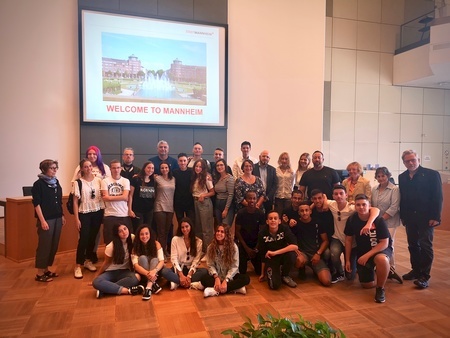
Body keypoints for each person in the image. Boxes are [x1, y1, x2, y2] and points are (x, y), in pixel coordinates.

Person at [398, 149, 443, 289]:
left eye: (413, 159)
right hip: (410, 218)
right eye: (407, 161)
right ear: (404, 162)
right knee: (412, 245)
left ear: (418, 159)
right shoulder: (402, 177)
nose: (411, 163)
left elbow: (438, 197)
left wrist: (436, 216)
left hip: (426, 218)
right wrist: (403, 217)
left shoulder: (431, 175)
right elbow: (403, 198)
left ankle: (424, 275)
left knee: (425, 245)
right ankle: (416, 270)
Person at [324, 185, 379, 283]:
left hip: (351, 241)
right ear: (332, 195)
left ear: (346, 195)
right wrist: (323, 203)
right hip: (337, 238)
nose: (339, 196)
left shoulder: (353, 207)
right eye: (336, 194)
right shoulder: (331, 204)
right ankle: (339, 273)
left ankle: (351, 268)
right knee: (334, 254)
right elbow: (323, 197)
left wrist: (369, 223)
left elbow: (375, 210)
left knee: (350, 276)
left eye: (341, 193)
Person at [344, 194, 393, 303]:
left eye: (364, 205)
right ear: (355, 206)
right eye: (358, 205)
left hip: (380, 250)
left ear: (369, 206)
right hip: (363, 251)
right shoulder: (352, 219)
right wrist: (347, 260)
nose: (361, 207)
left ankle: (380, 288)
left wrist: (368, 255)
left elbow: (384, 243)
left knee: (381, 260)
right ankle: (384, 272)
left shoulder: (379, 220)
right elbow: (348, 240)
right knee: (367, 285)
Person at [32, 159, 66, 282]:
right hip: (46, 219)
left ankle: (46, 270)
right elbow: (36, 204)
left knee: (53, 245)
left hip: (57, 217)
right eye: (52, 168)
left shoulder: (56, 182)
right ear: (44, 169)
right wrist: (42, 220)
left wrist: (61, 215)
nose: (55, 170)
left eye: (55, 167)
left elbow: (59, 201)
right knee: (44, 246)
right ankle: (39, 273)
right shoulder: (38, 184)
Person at [73, 159, 105, 279]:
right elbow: (75, 202)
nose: (88, 168)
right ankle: (77, 265)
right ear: (81, 169)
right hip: (84, 213)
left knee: (93, 237)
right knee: (83, 238)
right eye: (85, 167)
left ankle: (88, 260)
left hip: (97, 211)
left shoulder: (98, 180)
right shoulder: (78, 183)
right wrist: (77, 219)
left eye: (90, 166)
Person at [92, 224, 144, 298]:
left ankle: (105, 290)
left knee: (137, 277)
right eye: (120, 231)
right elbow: (106, 263)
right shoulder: (111, 246)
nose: (124, 232)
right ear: (117, 234)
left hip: (125, 271)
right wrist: (97, 276)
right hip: (111, 272)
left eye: (125, 229)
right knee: (96, 282)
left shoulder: (132, 238)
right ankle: (128, 291)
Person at [371, 167, 402, 284]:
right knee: (378, 243)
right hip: (377, 221)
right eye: (378, 176)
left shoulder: (394, 189)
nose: (381, 178)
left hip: (389, 222)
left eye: (383, 176)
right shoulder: (374, 189)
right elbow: (372, 205)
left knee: (389, 243)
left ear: (388, 176)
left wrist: (380, 220)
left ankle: (391, 268)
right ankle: (381, 266)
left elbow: (394, 207)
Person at [200, 225, 250, 297]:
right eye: (218, 231)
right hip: (217, 276)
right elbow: (210, 265)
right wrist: (216, 278)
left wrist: (226, 280)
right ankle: (235, 289)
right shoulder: (210, 247)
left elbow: (234, 266)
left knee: (246, 279)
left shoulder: (233, 247)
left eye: (222, 232)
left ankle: (214, 290)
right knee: (203, 279)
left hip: (230, 277)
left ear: (226, 234)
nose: (219, 233)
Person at [160, 217, 208, 290]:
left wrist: (189, 276)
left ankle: (178, 282)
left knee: (205, 271)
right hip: (179, 269)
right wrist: (181, 275)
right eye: (182, 227)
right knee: (164, 271)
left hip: (190, 270)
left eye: (187, 226)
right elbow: (174, 259)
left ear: (191, 227)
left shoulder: (198, 241)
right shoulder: (175, 239)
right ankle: (188, 283)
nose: (185, 229)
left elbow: (196, 261)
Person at [292, 202, 331, 286]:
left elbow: (325, 241)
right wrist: (297, 251)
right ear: (299, 213)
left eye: (306, 210)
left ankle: (316, 269)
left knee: (326, 281)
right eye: (302, 211)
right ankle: (301, 269)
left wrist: (318, 253)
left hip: (315, 254)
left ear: (310, 211)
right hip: (303, 253)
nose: (304, 213)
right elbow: (289, 240)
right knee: (299, 261)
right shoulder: (295, 224)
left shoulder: (318, 222)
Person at [258, 211, 298, 290]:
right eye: (270, 219)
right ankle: (276, 274)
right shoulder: (262, 233)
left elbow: (295, 246)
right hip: (271, 259)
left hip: (282, 255)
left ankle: (285, 275)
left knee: (292, 254)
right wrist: (262, 273)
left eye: (275, 218)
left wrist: (275, 252)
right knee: (274, 286)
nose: (273, 220)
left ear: (279, 221)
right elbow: (263, 254)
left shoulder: (284, 228)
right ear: (267, 221)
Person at [101, 159, 131, 245]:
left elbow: (126, 197)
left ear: (121, 168)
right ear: (110, 169)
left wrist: (109, 197)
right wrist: (121, 197)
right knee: (109, 240)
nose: (116, 170)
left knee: (126, 240)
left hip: (123, 214)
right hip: (109, 214)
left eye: (118, 167)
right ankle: (109, 258)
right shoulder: (105, 181)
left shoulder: (125, 181)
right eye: (114, 168)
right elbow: (105, 198)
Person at [235, 191, 265, 275]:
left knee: (259, 271)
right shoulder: (241, 213)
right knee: (242, 272)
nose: (252, 200)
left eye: (254, 198)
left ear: (256, 200)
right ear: (246, 200)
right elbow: (237, 231)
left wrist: (256, 248)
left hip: (256, 244)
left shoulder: (261, 214)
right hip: (244, 244)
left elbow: (262, 232)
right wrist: (246, 248)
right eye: (250, 198)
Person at [131, 224, 165, 300]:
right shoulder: (135, 248)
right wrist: (149, 274)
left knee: (155, 259)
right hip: (144, 275)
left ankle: (148, 287)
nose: (144, 236)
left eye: (146, 233)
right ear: (138, 236)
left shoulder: (156, 244)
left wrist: (154, 271)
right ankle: (153, 284)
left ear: (150, 234)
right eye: (142, 234)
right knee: (142, 258)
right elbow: (136, 266)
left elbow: (162, 261)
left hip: (155, 272)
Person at [191, 159, 215, 253]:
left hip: (204, 203)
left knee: (206, 230)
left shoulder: (206, 177)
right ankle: (201, 250)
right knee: (198, 228)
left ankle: (208, 252)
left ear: (203, 168)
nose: (198, 168)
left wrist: (203, 195)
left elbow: (212, 192)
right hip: (195, 202)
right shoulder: (194, 177)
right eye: (196, 166)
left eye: (200, 167)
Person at [154, 161, 176, 258]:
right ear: (160, 169)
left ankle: (165, 249)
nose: (164, 169)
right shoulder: (156, 178)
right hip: (159, 207)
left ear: (169, 168)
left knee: (167, 231)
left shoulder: (173, 179)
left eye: (166, 167)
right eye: (162, 168)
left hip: (170, 208)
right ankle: (161, 252)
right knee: (161, 231)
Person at [128, 161, 155, 233]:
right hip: (137, 210)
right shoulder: (136, 179)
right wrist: (129, 209)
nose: (150, 170)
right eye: (148, 167)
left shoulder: (153, 181)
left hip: (149, 211)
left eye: (152, 168)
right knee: (138, 230)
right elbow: (130, 195)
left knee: (147, 230)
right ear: (144, 168)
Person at [173, 153, 195, 225]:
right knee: (180, 223)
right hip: (178, 202)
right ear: (178, 162)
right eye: (181, 161)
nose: (182, 163)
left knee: (191, 223)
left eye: (184, 160)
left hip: (190, 202)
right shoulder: (174, 172)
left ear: (187, 161)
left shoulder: (192, 172)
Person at [252, 150, 277, 214]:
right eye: (263, 156)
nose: (265, 158)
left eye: (267, 157)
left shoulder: (273, 170)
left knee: (267, 218)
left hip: (268, 200)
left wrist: (268, 197)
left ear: (269, 159)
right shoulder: (253, 168)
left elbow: (275, 185)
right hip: (255, 199)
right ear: (259, 157)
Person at [213, 158, 235, 226]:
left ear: (225, 166)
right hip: (217, 204)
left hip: (227, 204)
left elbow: (231, 194)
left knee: (225, 227)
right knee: (219, 226)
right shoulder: (217, 178)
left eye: (221, 165)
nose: (219, 167)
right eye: (217, 165)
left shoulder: (230, 178)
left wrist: (226, 209)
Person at [274, 152, 295, 217]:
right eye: (282, 159)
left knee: (287, 216)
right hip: (278, 196)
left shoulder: (292, 171)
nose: (284, 161)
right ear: (280, 160)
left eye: (286, 159)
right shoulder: (276, 170)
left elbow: (293, 184)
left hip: (288, 196)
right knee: (278, 215)